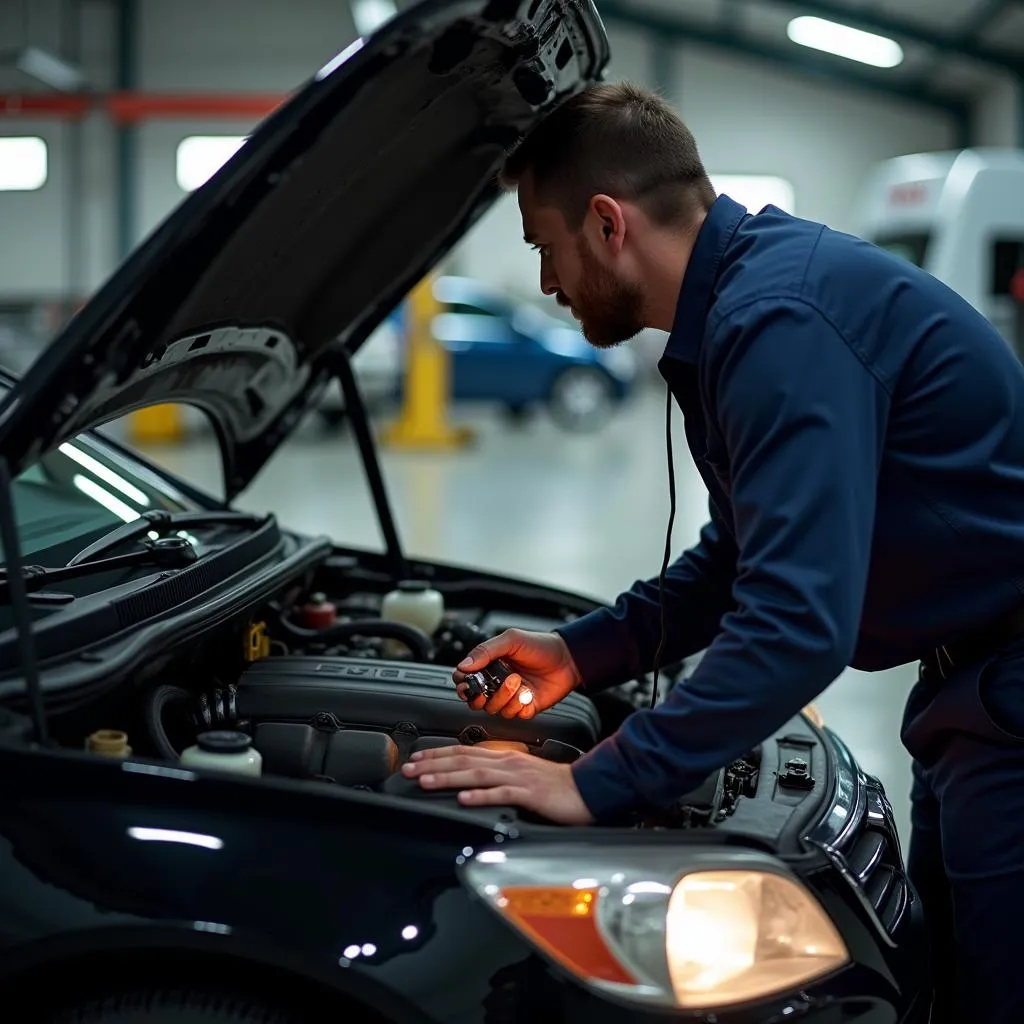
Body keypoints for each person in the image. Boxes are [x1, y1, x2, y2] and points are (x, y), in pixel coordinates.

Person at [398, 82, 1024, 1020]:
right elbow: (739, 559)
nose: (544, 283)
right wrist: (582, 652)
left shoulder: (778, 323)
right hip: (967, 693)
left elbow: (795, 630)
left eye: (543, 247)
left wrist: (595, 783)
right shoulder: (744, 307)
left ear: (608, 223)